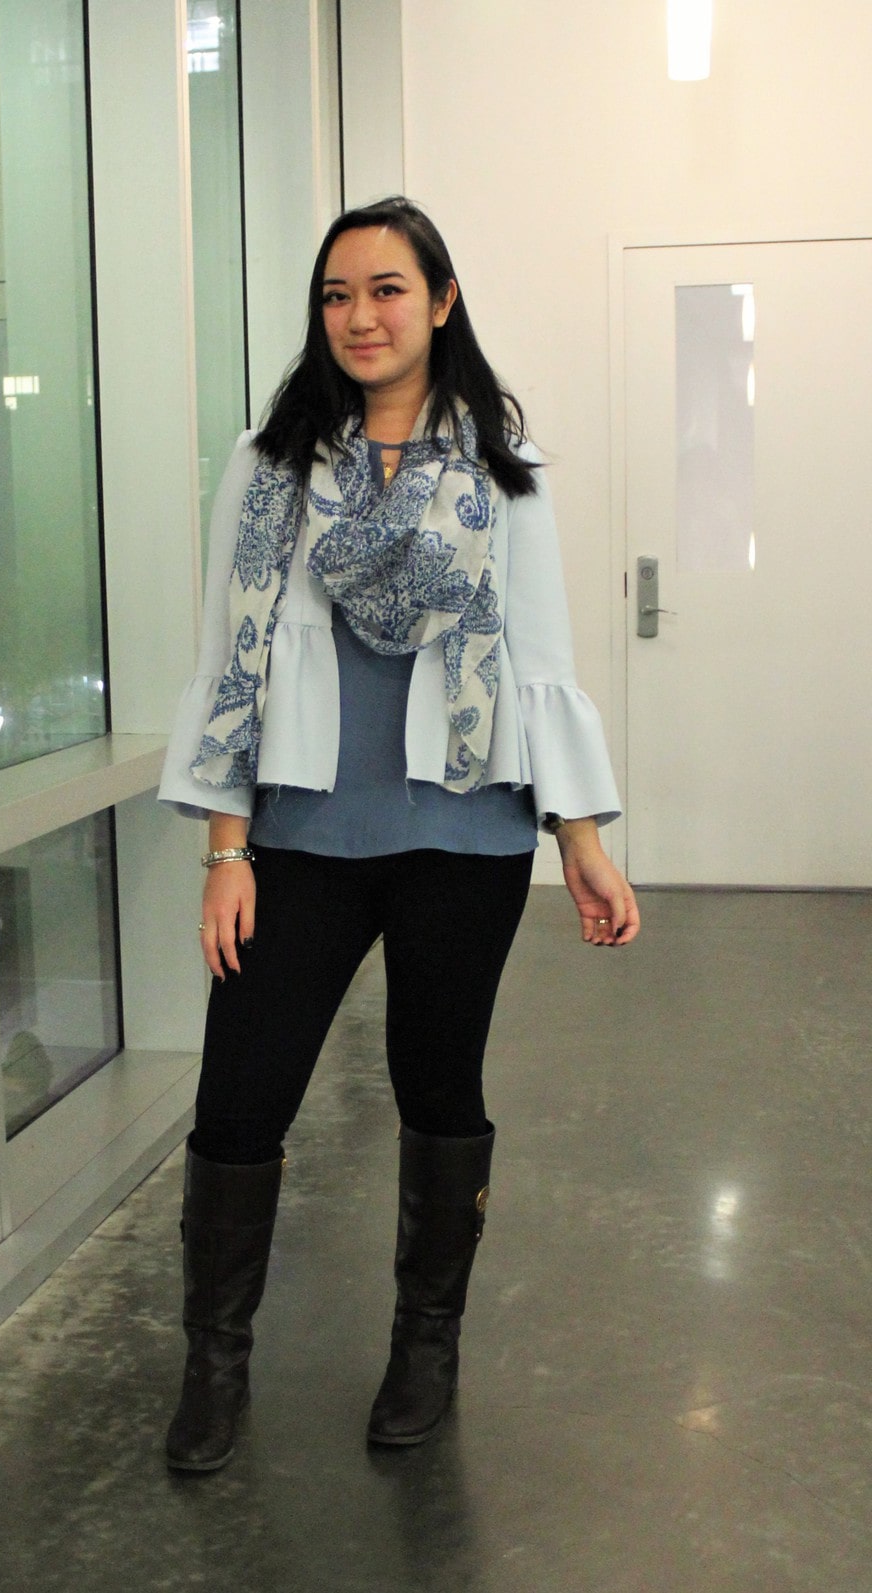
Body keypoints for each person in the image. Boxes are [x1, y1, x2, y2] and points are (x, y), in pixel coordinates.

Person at [158, 196, 640, 1474]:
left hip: (462, 837)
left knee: (439, 1092)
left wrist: (580, 838)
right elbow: (230, 665)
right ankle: (214, 1363)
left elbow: (539, 661)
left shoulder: (497, 475)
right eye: (335, 294)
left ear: (440, 301)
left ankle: (426, 1343)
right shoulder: (269, 469)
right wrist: (224, 850)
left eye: (384, 289)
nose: (358, 316)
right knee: (239, 1103)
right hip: (301, 842)